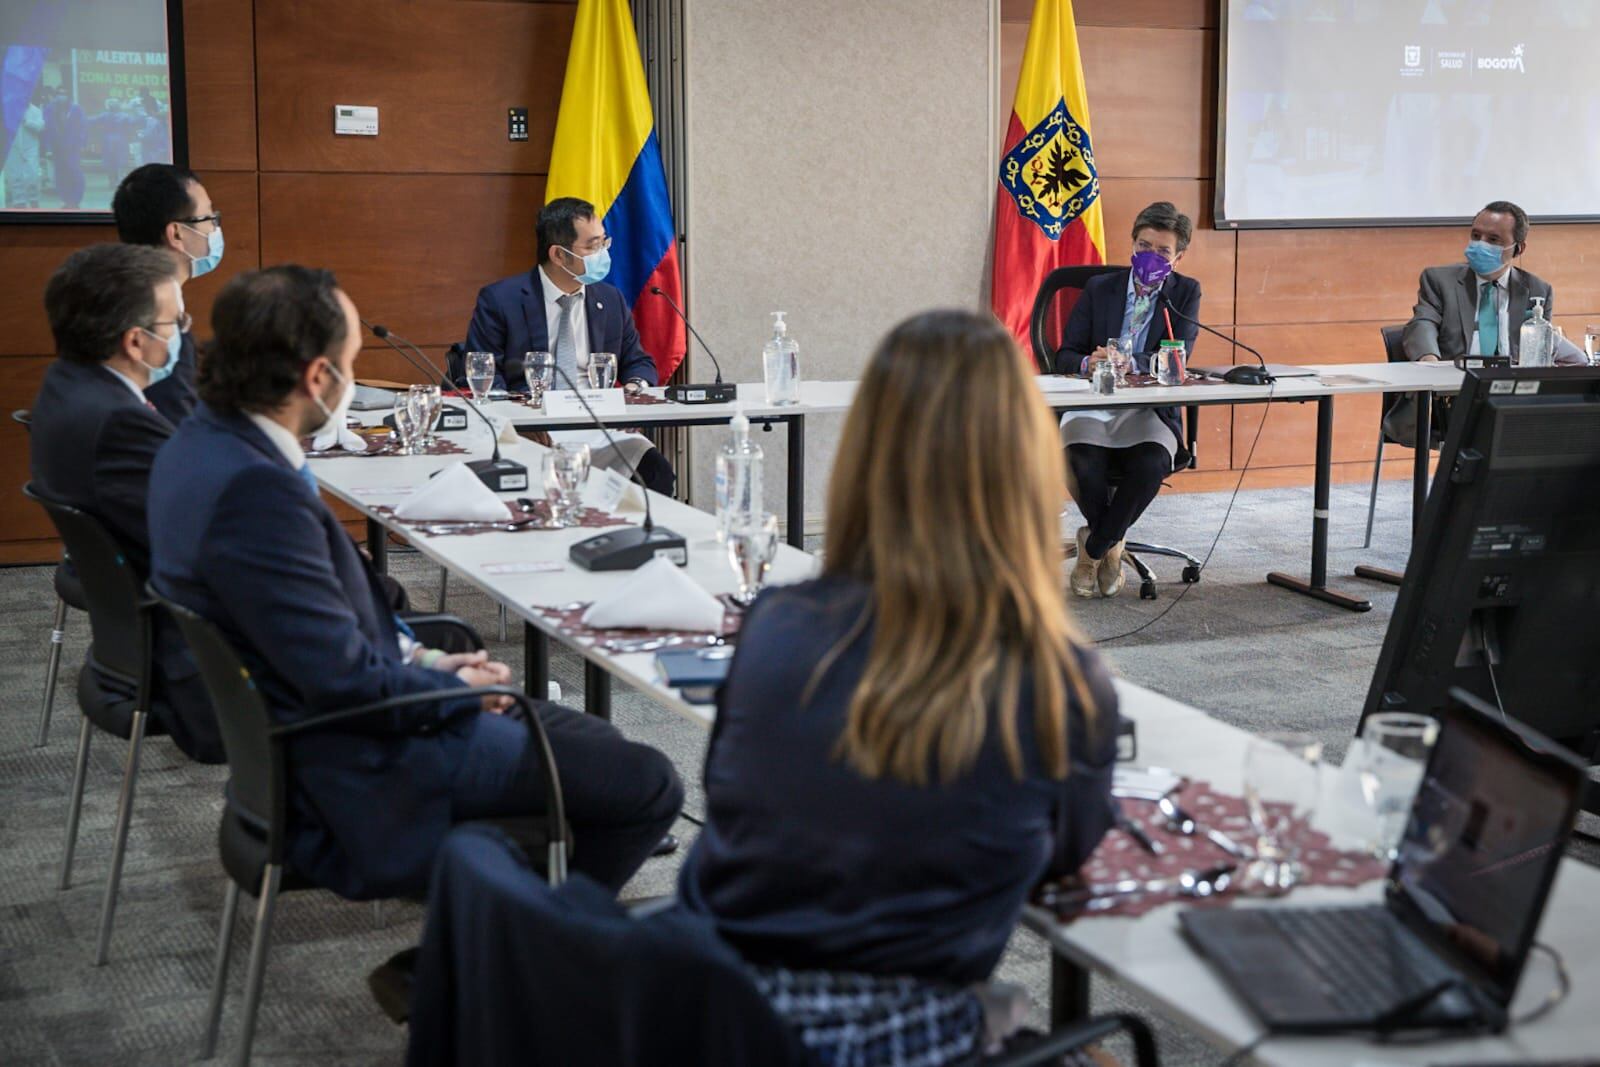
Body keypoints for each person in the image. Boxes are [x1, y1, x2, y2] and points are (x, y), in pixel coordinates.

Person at [148, 265, 683, 907]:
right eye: (351, 365)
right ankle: (516, 956)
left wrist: (425, 658)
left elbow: (312, 629)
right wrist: (446, 687)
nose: (356, 385)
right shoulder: (254, 492)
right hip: (360, 760)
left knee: (593, 740)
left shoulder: (204, 443)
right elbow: (337, 679)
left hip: (325, 722)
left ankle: (504, 929)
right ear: (317, 377)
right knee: (649, 784)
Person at [677, 309, 1117, 988]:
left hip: (717, 1004)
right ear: (1026, 468)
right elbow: (1064, 858)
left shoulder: (773, 623)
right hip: (905, 1032)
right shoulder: (1060, 680)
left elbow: (735, 801)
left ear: (865, 456)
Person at [27, 243, 222, 763]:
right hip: (196, 662)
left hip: (134, 640)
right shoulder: (117, 423)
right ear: (137, 341)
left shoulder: (67, 388)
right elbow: (209, 544)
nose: (184, 330)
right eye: (176, 320)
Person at [464, 196, 676, 493]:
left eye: (604, 243)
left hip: (600, 425)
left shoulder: (609, 299)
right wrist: (520, 421)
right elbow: (480, 373)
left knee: (656, 472)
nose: (602, 253)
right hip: (535, 428)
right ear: (559, 255)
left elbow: (638, 361)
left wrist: (634, 389)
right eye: (592, 247)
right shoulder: (501, 300)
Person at [1054, 201, 1201, 598]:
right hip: (1094, 401)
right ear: (1132, 244)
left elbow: (1179, 353)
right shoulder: (1100, 289)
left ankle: (1096, 546)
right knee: (1081, 462)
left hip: (1147, 407)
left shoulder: (1184, 293)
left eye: (1162, 252)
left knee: (1151, 464)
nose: (1150, 257)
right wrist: (1090, 360)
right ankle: (1111, 542)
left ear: (1179, 256)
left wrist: (1134, 362)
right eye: (1143, 245)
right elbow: (1063, 355)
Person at [112, 163, 226, 422]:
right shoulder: (158, 328)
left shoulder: (122, 300)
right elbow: (184, 437)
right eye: (209, 219)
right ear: (176, 234)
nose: (215, 230)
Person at [1403, 200, 1554, 365]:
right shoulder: (1439, 280)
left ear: (1519, 249)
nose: (1481, 244)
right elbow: (1423, 323)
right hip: (1453, 384)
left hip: (1511, 384)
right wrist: (1429, 360)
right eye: (1476, 236)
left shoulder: (1537, 290)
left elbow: (1540, 350)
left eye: (1493, 239)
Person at [3, 93, 45, 208]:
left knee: (32, 176)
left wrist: (27, 121)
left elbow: (40, 127)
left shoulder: (36, 111)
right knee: (16, 177)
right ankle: (19, 202)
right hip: (14, 147)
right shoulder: (10, 110)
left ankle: (34, 200)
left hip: (30, 148)